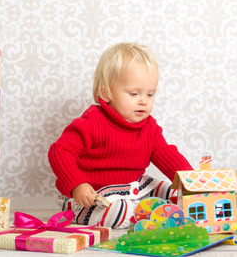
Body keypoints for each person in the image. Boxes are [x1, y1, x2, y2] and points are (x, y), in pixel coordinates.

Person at [48, 42, 194, 228]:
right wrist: (77, 185)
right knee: (116, 212)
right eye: (134, 94)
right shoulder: (92, 122)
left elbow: (166, 153)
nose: (143, 101)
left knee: (169, 190)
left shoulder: (149, 126)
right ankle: (147, 214)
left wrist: (191, 181)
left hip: (133, 189)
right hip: (95, 195)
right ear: (106, 93)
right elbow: (59, 152)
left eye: (150, 94)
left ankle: (159, 210)